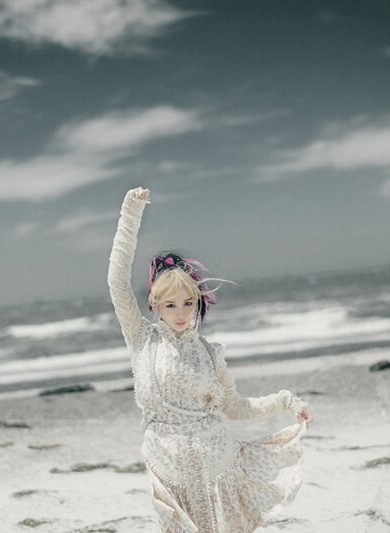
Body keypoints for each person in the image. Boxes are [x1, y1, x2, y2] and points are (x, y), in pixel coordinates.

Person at [107, 186, 312, 532]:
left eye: (188, 303)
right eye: (170, 304)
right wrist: (131, 214)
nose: (181, 312)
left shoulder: (210, 353)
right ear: (155, 304)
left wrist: (286, 401)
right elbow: (117, 281)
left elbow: (236, 408)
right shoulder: (142, 338)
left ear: (197, 301)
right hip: (167, 466)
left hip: (215, 463)